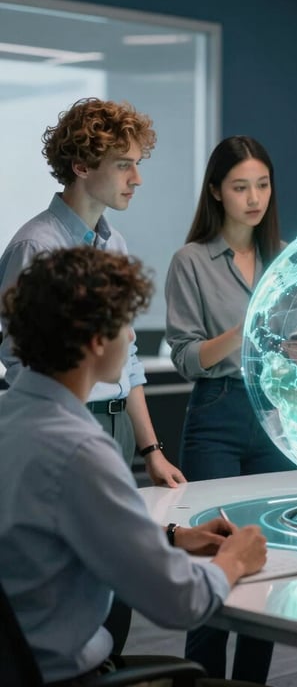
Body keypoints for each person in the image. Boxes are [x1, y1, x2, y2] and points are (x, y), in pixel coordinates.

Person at [0, 246, 269, 687]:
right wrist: (234, 561)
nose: (131, 340)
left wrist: (169, 538)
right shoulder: (80, 450)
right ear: (95, 341)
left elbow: (47, 538)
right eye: (125, 325)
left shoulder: (12, 420)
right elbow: (180, 601)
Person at [0, 97, 184, 488]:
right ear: (81, 167)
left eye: (137, 164)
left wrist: (151, 451)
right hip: (68, 426)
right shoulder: (35, 247)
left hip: (119, 426)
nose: (137, 179)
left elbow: (128, 358)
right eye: (123, 165)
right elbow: (21, 362)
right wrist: (67, 434)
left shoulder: (113, 241)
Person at [165, 135, 296, 683]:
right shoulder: (190, 260)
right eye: (240, 187)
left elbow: (287, 344)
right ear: (217, 192)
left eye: (262, 185)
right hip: (216, 413)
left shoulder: (284, 255)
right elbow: (185, 357)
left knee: (264, 567)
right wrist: (242, 334)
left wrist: (288, 348)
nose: (253, 198)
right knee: (216, 561)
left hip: (274, 413)